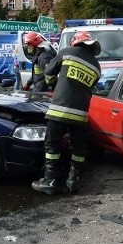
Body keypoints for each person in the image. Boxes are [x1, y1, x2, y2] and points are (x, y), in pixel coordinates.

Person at [31, 30, 102, 195]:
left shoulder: (67, 52)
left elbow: (48, 74)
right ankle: (73, 181)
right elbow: (87, 87)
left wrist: (56, 85)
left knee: (52, 144)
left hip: (59, 110)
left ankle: (50, 181)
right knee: (79, 148)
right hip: (80, 114)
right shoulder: (97, 67)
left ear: (75, 42)